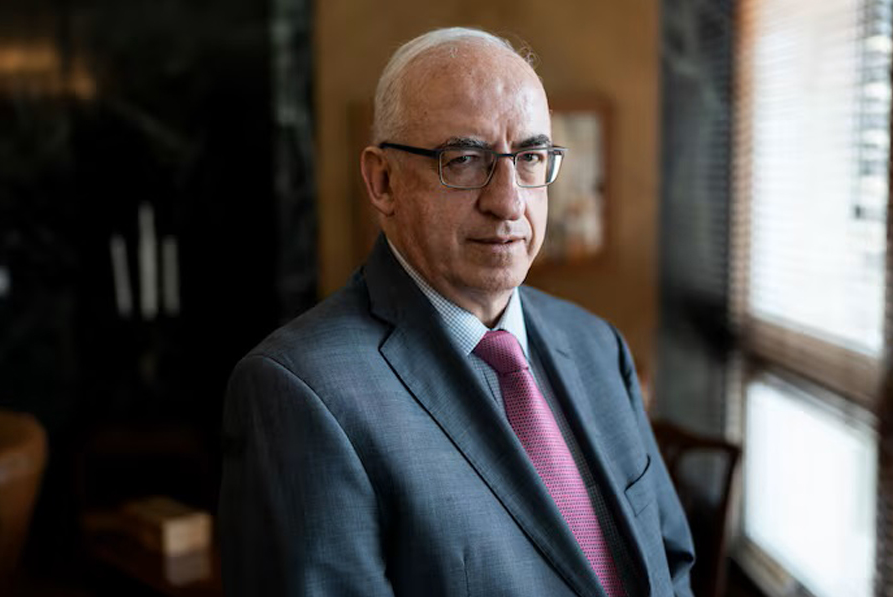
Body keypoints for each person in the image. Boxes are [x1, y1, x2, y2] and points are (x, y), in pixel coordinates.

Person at [219, 27, 694, 597]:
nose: (508, 202)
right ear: (382, 181)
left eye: (530, 157)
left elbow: (670, 566)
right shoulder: (300, 393)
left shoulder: (597, 345)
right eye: (465, 160)